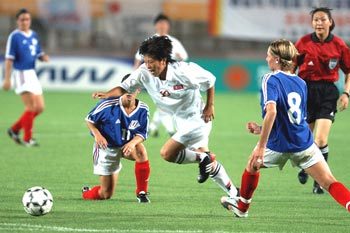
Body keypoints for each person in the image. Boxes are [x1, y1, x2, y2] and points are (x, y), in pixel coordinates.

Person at [93, 36, 238, 198]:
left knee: (167, 153)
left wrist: (210, 105)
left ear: (163, 60)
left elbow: (210, 80)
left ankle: (204, 157)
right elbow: (123, 88)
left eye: (151, 62)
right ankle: (234, 192)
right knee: (207, 161)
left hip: (197, 118)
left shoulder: (184, 71)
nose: (148, 66)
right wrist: (106, 94)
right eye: (146, 61)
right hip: (180, 120)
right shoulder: (143, 72)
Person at [220, 39, 350, 218]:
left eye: (268, 55)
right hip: (303, 144)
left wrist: (261, 146)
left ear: (276, 59)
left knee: (252, 165)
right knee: (329, 182)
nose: (266, 59)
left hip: (277, 145)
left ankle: (242, 207)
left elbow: (272, 111)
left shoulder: (269, 78)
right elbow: (294, 118)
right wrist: (260, 128)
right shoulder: (301, 82)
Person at [295, 7, 350, 194]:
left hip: (328, 92)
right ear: (312, 23)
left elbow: (348, 70)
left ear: (330, 22)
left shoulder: (339, 45)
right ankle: (305, 166)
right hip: (306, 90)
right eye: (315, 20)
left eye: (322, 19)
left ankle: (319, 182)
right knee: (307, 139)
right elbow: (291, 68)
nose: (319, 23)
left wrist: (346, 93)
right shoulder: (302, 43)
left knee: (320, 139)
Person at [82, 74, 151, 203]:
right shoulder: (107, 105)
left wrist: (132, 144)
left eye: (134, 88)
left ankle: (141, 192)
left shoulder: (143, 109)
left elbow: (142, 133)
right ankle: (86, 192)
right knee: (105, 194)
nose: (130, 91)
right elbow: (89, 120)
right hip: (107, 148)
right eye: (127, 88)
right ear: (121, 88)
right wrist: (98, 135)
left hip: (126, 145)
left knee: (141, 151)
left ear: (139, 90)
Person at [134, 13, 188, 137]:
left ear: (168, 26)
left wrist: (180, 58)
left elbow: (184, 58)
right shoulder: (150, 41)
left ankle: (153, 126)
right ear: (155, 26)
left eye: (165, 23)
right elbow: (138, 58)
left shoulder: (174, 42)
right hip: (155, 77)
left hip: (172, 78)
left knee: (164, 102)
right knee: (164, 101)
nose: (162, 26)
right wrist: (135, 76)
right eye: (160, 23)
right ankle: (170, 130)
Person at [3, 8, 49, 147]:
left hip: (32, 74)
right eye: (22, 19)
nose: (25, 22)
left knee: (39, 108)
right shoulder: (14, 37)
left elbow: (38, 52)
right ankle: (28, 138)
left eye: (27, 19)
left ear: (30, 21)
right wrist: (7, 78)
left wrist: (43, 57)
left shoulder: (34, 35)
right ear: (17, 21)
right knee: (30, 106)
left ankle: (14, 129)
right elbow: (9, 59)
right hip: (21, 73)